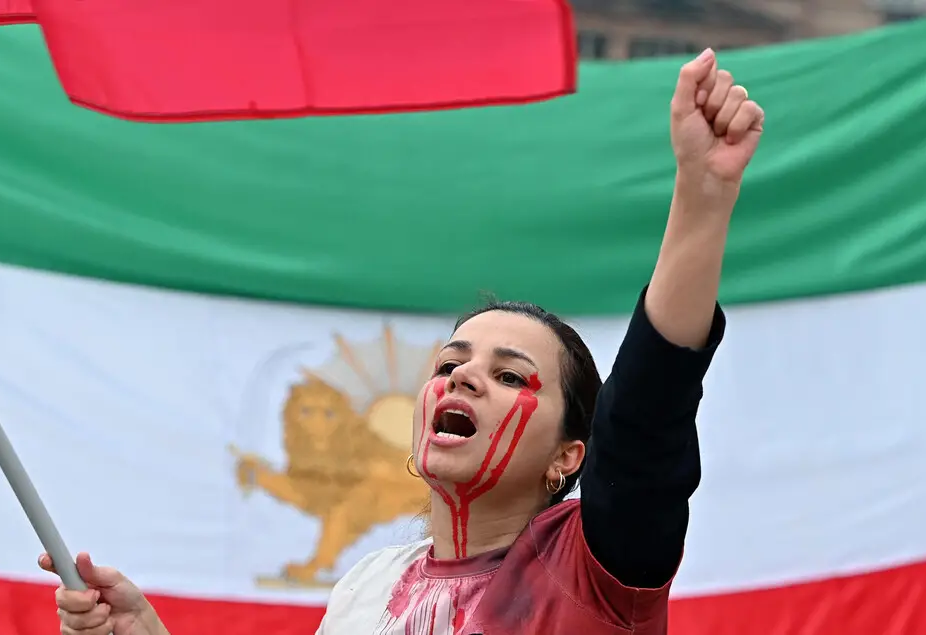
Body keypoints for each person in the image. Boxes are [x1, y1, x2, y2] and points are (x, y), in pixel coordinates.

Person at [40, 48, 763, 635]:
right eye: (450, 364)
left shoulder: (593, 568)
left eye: (511, 376)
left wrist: (701, 195)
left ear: (569, 457)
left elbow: (645, 415)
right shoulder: (367, 589)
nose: (463, 378)